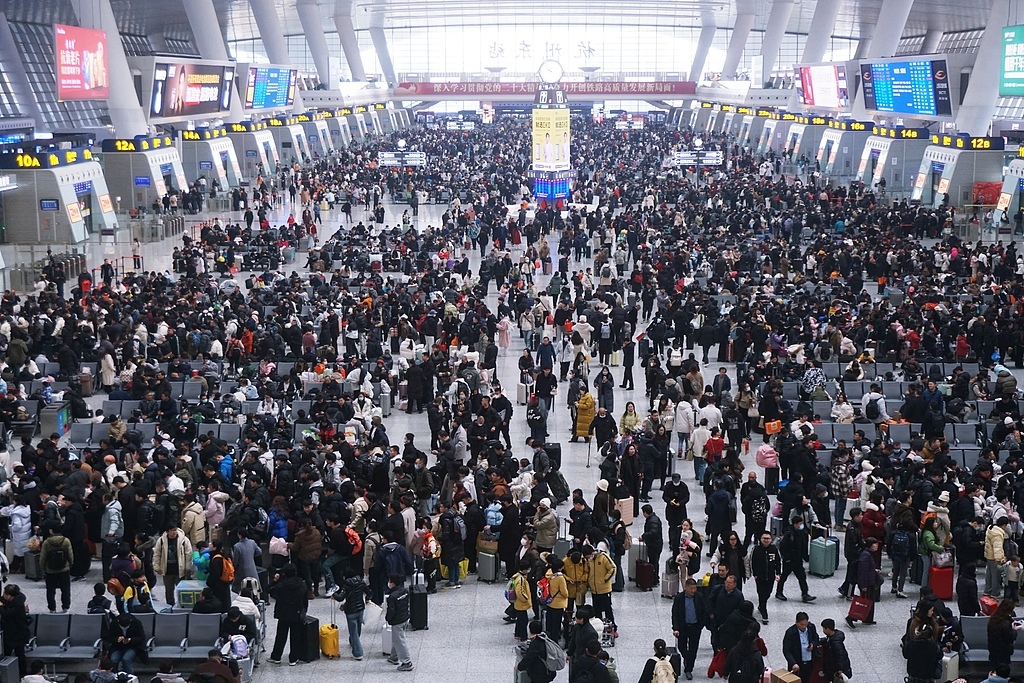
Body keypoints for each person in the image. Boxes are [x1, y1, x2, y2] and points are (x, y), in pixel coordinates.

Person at [267, 564, 309, 665]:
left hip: (283, 614)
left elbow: (268, 590)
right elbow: (305, 600)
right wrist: (304, 611)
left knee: (281, 636)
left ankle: (276, 656)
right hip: (297, 613)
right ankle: (293, 659)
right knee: (295, 637)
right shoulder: (302, 584)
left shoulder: (281, 585)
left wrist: (274, 581)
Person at [333, 568, 372, 660]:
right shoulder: (361, 582)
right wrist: (367, 599)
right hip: (360, 609)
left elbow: (340, 598)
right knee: (358, 628)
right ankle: (353, 642)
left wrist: (334, 594)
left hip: (351, 611)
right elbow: (369, 592)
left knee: (353, 631)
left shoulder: (346, 585)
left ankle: (358, 653)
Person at [671, 578, 707, 680]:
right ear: (686, 587)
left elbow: (704, 611)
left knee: (693, 648)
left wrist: (701, 625)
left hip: (695, 627)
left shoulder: (699, 597)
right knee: (682, 646)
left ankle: (688, 669)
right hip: (683, 627)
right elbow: (675, 614)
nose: (693, 591)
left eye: (695, 588)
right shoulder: (679, 598)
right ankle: (687, 658)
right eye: (691, 588)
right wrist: (676, 628)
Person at [776, 517, 815, 604]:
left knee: (802, 577)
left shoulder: (802, 533)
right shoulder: (789, 534)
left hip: (797, 560)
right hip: (789, 560)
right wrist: (787, 558)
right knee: (784, 576)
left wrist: (805, 557)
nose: (801, 525)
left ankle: (805, 594)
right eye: (799, 523)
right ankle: (779, 592)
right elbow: (783, 547)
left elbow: (802, 546)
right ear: (795, 524)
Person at [153, 525, 194, 606]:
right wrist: (156, 566)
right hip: (167, 570)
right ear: (167, 531)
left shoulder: (184, 540)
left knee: (182, 590)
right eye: (171, 530)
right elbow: (157, 554)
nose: (174, 532)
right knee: (169, 591)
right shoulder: (161, 540)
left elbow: (188, 554)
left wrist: (187, 567)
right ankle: (170, 605)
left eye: (175, 530)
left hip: (180, 570)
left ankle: (182, 605)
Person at [846, 537, 881, 628]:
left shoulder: (869, 554)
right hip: (867, 583)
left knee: (869, 602)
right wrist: (863, 585)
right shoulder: (866, 556)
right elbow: (863, 572)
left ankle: (867, 619)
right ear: (870, 545)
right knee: (863, 602)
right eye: (875, 544)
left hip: (870, 581)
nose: (877, 545)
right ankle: (851, 617)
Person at [749, 531, 781, 625]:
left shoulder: (774, 549)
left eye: (768, 538)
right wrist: (754, 574)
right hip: (760, 576)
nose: (766, 540)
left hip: (770, 576)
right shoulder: (756, 549)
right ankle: (764, 611)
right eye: (764, 538)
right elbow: (753, 562)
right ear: (760, 539)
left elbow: (778, 562)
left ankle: (761, 605)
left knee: (768, 593)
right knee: (761, 593)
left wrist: (778, 573)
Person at [40, 523, 73, 613]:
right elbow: (70, 555)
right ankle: (65, 607)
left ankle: (52, 608)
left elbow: (43, 557)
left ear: (51, 531)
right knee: (65, 589)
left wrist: (43, 568)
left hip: (50, 570)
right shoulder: (66, 541)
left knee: (50, 590)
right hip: (64, 569)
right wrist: (69, 565)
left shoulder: (47, 542)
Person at [385, 573, 414, 671]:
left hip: (397, 621)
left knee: (400, 640)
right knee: (396, 638)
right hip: (405, 617)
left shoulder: (392, 597)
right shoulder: (404, 591)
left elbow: (391, 611)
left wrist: (388, 619)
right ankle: (394, 656)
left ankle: (407, 662)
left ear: (392, 583)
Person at [782, 612, 819, 683]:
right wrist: (793, 663)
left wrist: (813, 645)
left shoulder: (811, 627)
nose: (804, 627)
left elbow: (816, 639)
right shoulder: (790, 632)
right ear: (796, 623)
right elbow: (786, 650)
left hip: (809, 662)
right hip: (797, 664)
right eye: (801, 624)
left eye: (805, 624)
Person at [987, 599, 1020, 668]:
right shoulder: (1005, 624)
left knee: (994, 667)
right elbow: (1010, 637)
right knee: (1003, 669)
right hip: (1004, 651)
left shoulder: (993, 619)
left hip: (993, 649)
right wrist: (1014, 629)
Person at [641, 504, 664, 575]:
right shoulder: (654, 518)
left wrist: (644, 536)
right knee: (654, 561)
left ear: (645, 512)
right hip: (656, 543)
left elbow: (653, 532)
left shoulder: (652, 521)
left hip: (654, 545)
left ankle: (654, 578)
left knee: (654, 562)